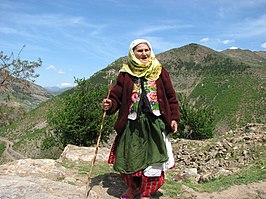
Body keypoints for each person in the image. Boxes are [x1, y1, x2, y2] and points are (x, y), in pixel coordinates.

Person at [102, 39, 180, 199]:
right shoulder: (125, 73)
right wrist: (109, 104)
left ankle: (146, 193)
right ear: (133, 53)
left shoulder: (159, 70)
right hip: (132, 124)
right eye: (140, 51)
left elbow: (171, 96)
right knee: (131, 158)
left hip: (155, 124)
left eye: (146, 50)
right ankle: (133, 189)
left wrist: (173, 118)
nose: (144, 54)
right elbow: (116, 97)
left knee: (154, 160)